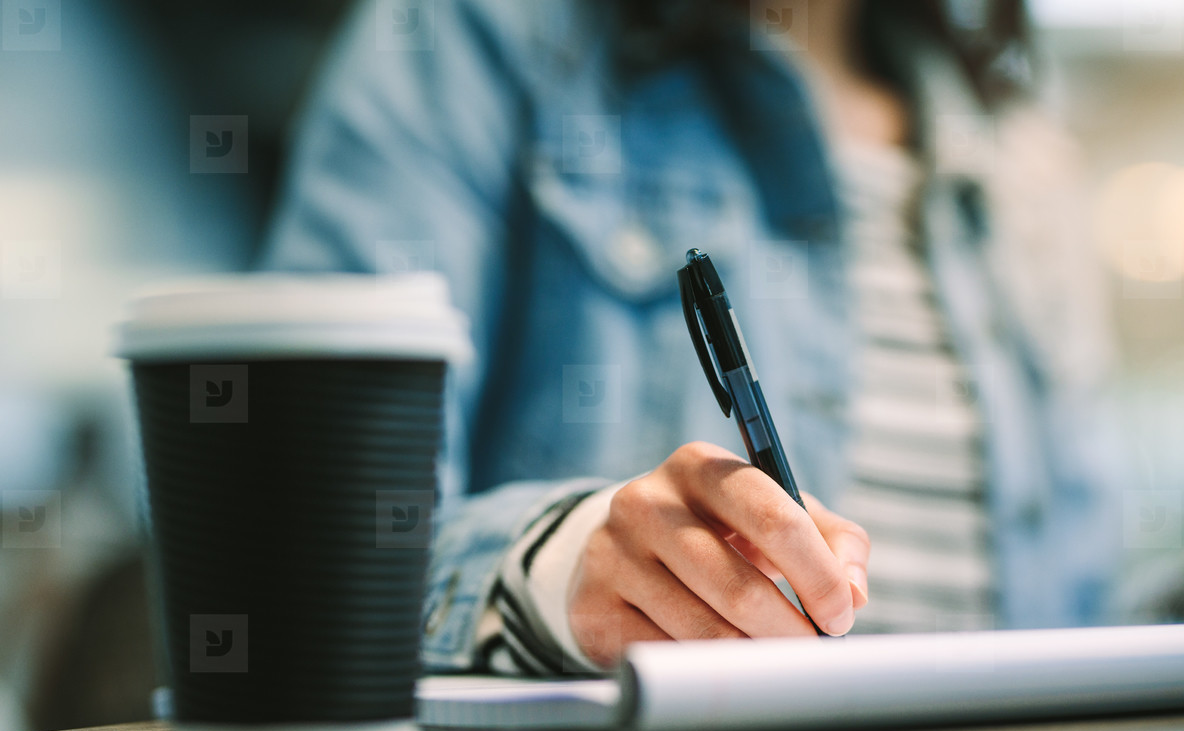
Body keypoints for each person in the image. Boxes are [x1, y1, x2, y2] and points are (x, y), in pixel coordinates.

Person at [261, 0, 1121, 674]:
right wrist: (555, 569)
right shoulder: (472, 39)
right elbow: (291, 538)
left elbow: (1094, 600)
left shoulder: (1018, 139)